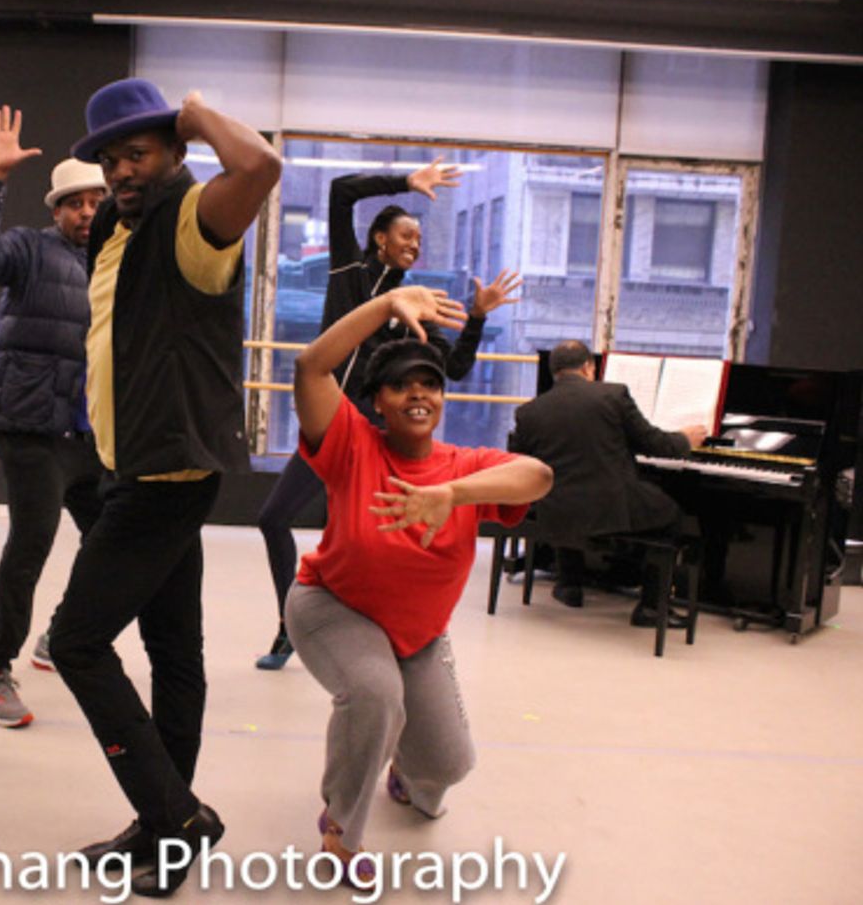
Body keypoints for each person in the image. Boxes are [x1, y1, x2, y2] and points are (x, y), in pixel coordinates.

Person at [46, 77, 281, 897]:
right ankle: (163, 826)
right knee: (173, 649)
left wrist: (193, 113)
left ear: (175, 151)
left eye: (137, 152)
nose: (120, 171)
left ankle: (179, 818)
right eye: (110, 158)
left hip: (168, 473)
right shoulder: (116, 221)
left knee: (75, 642)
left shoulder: (193, 214)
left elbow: (258, 165)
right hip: (133, 466)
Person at [285, 285, 551, 879]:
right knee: (375, 695)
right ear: (378, 401)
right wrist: (385, 306)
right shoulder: (352, 444)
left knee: (450, 766)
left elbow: (537, 476)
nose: (418, 394)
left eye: (429, 383)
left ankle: (403, 773)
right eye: (402, 384)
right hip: (333, 607)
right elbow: (311, 365)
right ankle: (341, 832)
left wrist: (453, 495)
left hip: (419, 635)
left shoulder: (464, 467)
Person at [255, 166, 523, 670]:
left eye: (420, 238)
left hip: (376, 437)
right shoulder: (348, 272)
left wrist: (479, 316)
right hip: (334, 426)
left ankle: (362, 635)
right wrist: (405, 181)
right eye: (406, 234)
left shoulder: (417, 304)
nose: (415, 244)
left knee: (355, 540)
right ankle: (289, 628)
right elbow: (339, 192)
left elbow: (455, 369)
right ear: (379, 238)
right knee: (273, 518)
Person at [0, 106, 107, 728]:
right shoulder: (27, 250)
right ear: (57, 210)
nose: (87, 213)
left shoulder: (111, 264)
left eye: (98, 202)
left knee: (112, 542)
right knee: (32, 545)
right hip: (30, 428)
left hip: (88, 434)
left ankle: (60, 634)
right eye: (76, 204)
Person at [510, 339, 708, 626]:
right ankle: (651, 607)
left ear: (554, 371)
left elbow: (518, 460)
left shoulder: (530, 412)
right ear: (589, 368)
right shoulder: (613, 395)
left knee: (567, 487)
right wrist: (684, 439)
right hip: (609, 506)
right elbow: (656, 444)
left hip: (557, 508)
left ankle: (569, 584)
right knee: (669, 513)